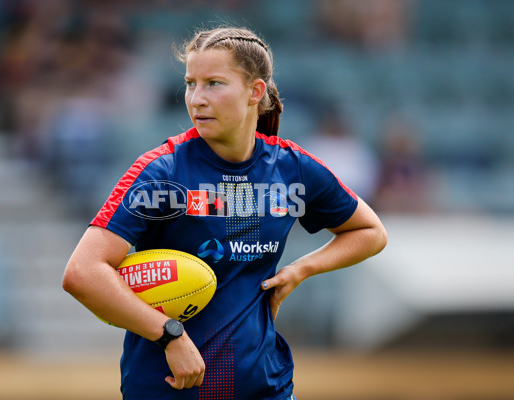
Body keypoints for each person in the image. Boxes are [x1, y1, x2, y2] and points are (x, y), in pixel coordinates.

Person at [62, 26, 387, 400]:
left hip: (266, 387)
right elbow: (82, 273)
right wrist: (168, 332)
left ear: (255, 92)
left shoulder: (292, 169)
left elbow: (370, 232)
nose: (196, 99)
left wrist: (302, 269)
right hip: (170, 389)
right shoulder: (161, 174)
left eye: (214, 83)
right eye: (190, 84)